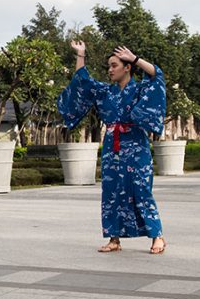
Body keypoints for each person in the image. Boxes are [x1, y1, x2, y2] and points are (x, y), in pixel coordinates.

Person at [58, 41, 167, 254]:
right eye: (109, 66)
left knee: (141, 191)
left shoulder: (140, 89)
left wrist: (135, 58)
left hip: (136, 146)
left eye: (114, 65)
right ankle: (114, 238)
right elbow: (83, 83)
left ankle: (157, 236)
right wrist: (81, 55)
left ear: (127, 68)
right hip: (112, 148)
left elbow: (157, 76)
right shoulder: (105, 92)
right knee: (111, 191)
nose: (110, 70)